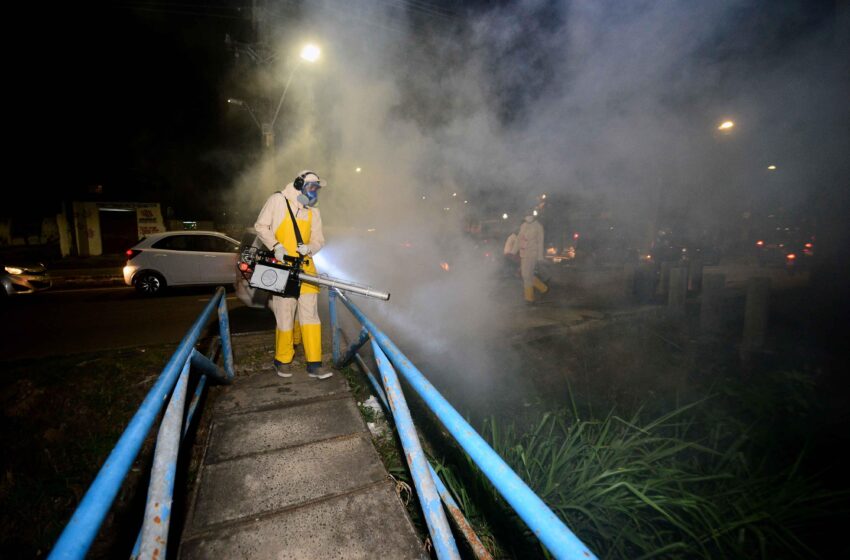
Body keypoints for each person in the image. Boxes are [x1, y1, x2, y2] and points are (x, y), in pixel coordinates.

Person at [254, 170, 333, 379]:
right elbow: (260, 226)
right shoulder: (278, 200)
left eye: (317, 188)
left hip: (306, 269)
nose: (314, 192)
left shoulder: (313, 211)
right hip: (282, 268)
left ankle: (315, 363)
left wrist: (310, 248)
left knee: (311, 317)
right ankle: (282, 360)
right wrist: (276, 245)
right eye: (311, 187)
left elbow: (319, 240)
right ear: (299, 184)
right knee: (285, 315)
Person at [517, 212, 549, 304]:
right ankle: (543, 288)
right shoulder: (523, 225)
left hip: (532, 254)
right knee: (526, 275)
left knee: (526, 275)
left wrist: (540, 257)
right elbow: (519, 239)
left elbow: (540, 242)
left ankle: (529, 298)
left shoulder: (538, 226)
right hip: (523, 253)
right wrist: (512, 251)